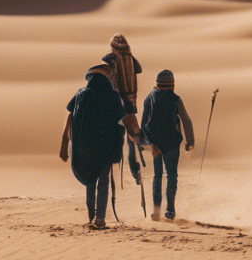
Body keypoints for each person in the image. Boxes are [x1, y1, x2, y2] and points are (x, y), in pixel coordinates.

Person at [61, 58, 141, 228]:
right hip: (105, 145)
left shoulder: (80, 93)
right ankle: (99, 220)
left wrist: (65, 141)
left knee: (90, 181)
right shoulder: (111, 95)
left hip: (84, 146)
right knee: (103, 181)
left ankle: (92, 217)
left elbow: (70, 115)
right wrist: (133, 134)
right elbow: (122, 117)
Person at [141, 70, 194, 221]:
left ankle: (156, 211)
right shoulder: (176, 99)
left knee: (157, 176)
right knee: (171, 175)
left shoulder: (149, 98)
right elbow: (187, 121)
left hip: (155, 145)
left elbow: (143, 123)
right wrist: (190, 141)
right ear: (172, 84)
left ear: (157, 84)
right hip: (172, 144)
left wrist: (146, 143)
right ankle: (170, 210)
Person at [104, 34, 144, 184]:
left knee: (114, 135)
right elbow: (138, 70)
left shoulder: (111, 59)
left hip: (116, 104)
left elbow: (108, 77)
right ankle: (137, 169)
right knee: (132, 137)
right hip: (130, 103)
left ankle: (111, 168)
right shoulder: (131, 59)